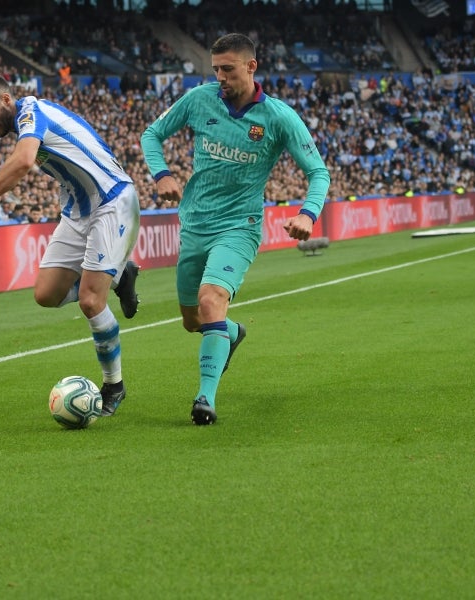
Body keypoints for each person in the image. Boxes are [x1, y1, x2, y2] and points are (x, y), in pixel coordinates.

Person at [140, 33, 331, 425]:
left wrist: (307, 214)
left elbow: (318, 172)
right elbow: (151, 134)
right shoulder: (199, 100)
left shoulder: (278, 117)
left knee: (211, 300)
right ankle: (231, 333)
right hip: (195, 224)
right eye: (216, 70)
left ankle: (204, 400)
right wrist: (161, 175)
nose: (220, 77)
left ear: (251, 66)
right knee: (194, 320)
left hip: (239, 227)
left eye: (228, 69)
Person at [0, 73, 141, 416]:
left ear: (7, 100)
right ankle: (119, 277)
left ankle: (114, 385)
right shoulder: (25, 119)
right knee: (46, 295)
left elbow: (24, 160)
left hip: (112, 200)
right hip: (77, 210)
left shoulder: (31, 112)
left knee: (89, 300)